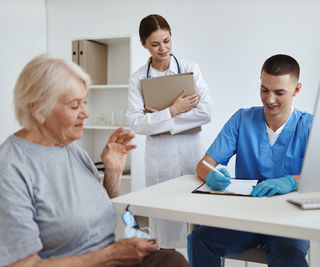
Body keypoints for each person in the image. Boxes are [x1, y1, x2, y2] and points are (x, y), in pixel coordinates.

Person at [0, 54, 189, 267]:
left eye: (85, 102)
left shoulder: (70, 148)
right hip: (101, 260)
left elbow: (96, 212)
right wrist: (110, 256)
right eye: (74, 106)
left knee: (171, 260)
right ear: (38, 110)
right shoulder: (10, 169)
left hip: (107, 260)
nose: (86, 113)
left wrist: (113, 173)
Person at [188, 54, 312, 267]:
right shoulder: (242, 119)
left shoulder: (309, 126)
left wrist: (293, 181)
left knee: (289, 257)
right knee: (199, 240)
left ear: (296, 89)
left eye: (279, 92)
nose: (269, 99)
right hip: (244, 218)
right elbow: (203, 165)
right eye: (264, 89)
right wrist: (211, 174)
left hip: (288, 222)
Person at [126, 14, 212, 249]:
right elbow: (136, 122)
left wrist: (160, 120)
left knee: (196, 228)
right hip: (160, 162)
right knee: (165, 232)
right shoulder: (137, 79)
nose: (162, 48)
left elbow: (206, 112)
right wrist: (174, 110)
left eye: (166, 40)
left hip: (190, 156)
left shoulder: (189, 69)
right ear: (144, 44)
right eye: (155, 44)